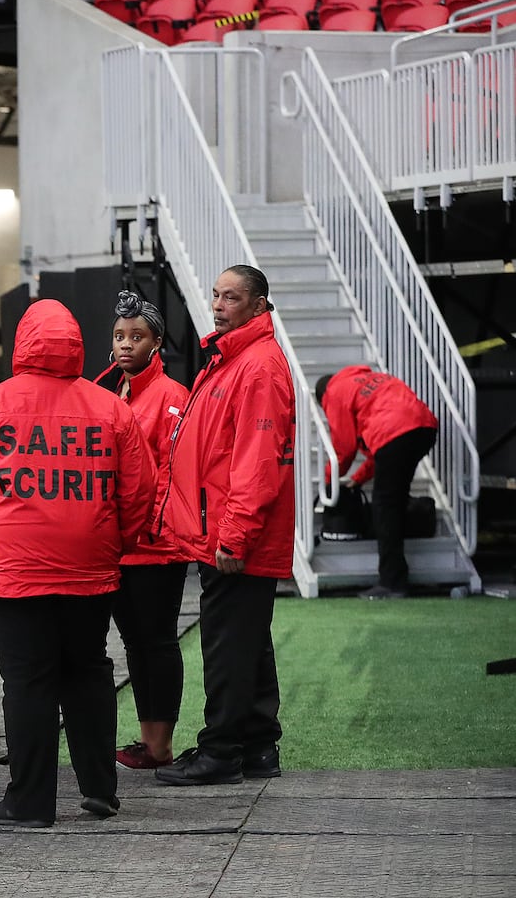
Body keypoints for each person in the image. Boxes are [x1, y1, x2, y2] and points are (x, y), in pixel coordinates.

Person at [0, 299, 156, 827]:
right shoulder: (110, 409)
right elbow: (140, 492)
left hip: (11, 570)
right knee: (88, 673)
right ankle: (100, 788)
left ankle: (30, 800)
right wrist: (112, 544)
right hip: (88, 565)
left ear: (22, 343)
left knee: (28, 681)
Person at [152, 265, 295, 787]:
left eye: (230, 298)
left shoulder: (255, 367)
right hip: (226, 532)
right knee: (247, 641)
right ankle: (257, 747)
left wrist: (234, 536)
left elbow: (257, 464)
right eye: (215, 295)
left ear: (258, 306)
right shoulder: (233, 359)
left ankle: (221, 752)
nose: (217, 305)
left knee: (228, 645)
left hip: (234, 538)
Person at [93, 290, 192, 771]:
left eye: (137, 336)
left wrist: (140, 525)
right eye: (119, 336)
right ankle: (151, 743)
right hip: (118, 543)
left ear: (156, 342)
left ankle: (161, 744)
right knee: (136, 643)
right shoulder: (110, 392)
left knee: (156, 641)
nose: (126, 344)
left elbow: (169, 475)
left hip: (155, 543)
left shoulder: (172, 399)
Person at [316, 367, 438, 600]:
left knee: (384, 508)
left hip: (395, 434)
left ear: (322, 400)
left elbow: (344, 449)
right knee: (394, 500)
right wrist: (357, 479)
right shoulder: (365, 381)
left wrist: (329, 479)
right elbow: (380, 452)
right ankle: (396, 574)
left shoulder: (333, 393)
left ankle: (392, 582)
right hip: (424, 427)